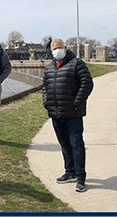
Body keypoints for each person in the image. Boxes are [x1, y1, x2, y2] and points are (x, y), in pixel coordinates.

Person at [42, 38, 94, 192]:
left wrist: (77, 101)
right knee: (64, 144)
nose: (57, 50)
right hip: (56, 113)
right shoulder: (50, 68)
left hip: (73, 113)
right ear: (51, 51)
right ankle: (69, 171)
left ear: (64, 48)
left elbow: (87, 83)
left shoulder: (76, 64)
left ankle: (80, 177)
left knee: (76, 144)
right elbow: (44, 86)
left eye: (59, 47)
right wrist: (46, 101)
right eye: (54, 49)